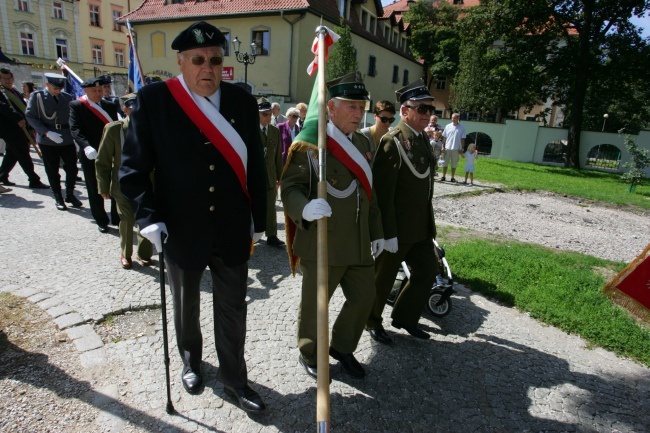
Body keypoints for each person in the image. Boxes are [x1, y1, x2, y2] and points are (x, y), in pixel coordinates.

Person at [118, 21, 267, 413]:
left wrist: (260, 219)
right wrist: (148, 218)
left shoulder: (242, 102)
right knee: (185, 304)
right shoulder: (154, 101)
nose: (208, 68)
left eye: (216, 60)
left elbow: (256, 166)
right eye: (198, 59)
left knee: (233, 308)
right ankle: (190, 360)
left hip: (232, 226)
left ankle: (235, 379)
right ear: (181, 62)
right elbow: (132, 171)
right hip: (180, 228)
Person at [282, 71, 384, 380]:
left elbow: (370, 191)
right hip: (323, 240)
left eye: (361, 106)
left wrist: (377, 232)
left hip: (357, 241)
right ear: (331, 108)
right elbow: (290, 187)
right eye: (351, 106)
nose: (358, 112)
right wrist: (305, 208)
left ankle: (341, 346)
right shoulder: (312, 144)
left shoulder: (364, 140)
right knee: (317, 305)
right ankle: (310, 352)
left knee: (365, 297)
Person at [365, 79, 439, 344]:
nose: (428, 115)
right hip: (396, 228)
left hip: (420, 227)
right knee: (382, 279)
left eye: (431, 110)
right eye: (421, 109)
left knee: (429, 270)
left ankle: (406, 317)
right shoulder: (393, 142)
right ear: (404, 110)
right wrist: (387, 233)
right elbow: (383, 195)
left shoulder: (421, 139)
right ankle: (371, 320)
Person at [96, 93, 153, 269]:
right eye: (132, 107)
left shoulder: (151, 130)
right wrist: (103, 186)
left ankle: (144, 253)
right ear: (125, 109)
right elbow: (102, 160)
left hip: (146, 183)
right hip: (122, 184)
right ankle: (126, 254)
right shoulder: (114, 129)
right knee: (127, 219)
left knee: (146, 219)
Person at [25, 73, 82, 210]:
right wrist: (46, 132)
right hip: (48, 139)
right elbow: (30, 116)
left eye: (60, 88)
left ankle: (69, 193)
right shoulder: (37, 97)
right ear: (47, 85)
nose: (58, 91)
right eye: (55, 88)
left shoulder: (67, 97)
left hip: (66, 137)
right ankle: (58, 197)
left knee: (72, 169)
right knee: (52, 170)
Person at [70, 77, 119, 233]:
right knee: (94, 186)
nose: (98, 93)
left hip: (110, 151)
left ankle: (117, 217)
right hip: (91, 152)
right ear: (85, 91)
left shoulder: (110, 106)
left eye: (100, 90)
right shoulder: (77, 106)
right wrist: (85, 147)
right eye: (94, 91)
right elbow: (75, 129)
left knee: (114, 184)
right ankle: (101, 219)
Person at [0, 67, 49, 189]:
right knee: (23, 153)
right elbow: (3, 108)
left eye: (9, 78)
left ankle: (2, 175)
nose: (7, 81)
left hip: (21, 126)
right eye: (4, 79)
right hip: (10, 128)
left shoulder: (13, 91)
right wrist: (17, 117)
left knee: (12, 154)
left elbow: (23, 106)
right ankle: (33, 179)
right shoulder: (1, 92)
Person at [258, 97, 285, 247]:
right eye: (264, 114)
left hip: (269, 176)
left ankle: (272, 235)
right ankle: (250, 235)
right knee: (252, 207)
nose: (268, 117)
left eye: (269, 114)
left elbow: (278, 156)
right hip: (254, 177)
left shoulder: (274, 131)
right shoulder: (250, 130)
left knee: (270, 207)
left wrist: (279, 177)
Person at [440, 112, 466, 182]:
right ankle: (443, 176)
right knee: (445, 163)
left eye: (454, 118)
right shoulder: (448, 126)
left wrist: (462, 149)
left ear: (458, 118)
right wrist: (442, 146)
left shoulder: (462, 128)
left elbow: (463, 139)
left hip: (456, 149)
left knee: (454, 164)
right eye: (452, 118)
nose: (453, 119)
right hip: (447, 148)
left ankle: (452, 177)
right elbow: (444, 137)